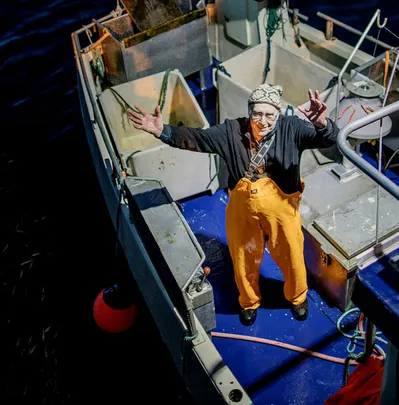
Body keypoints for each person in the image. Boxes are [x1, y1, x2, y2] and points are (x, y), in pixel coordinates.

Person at [127, 83, 338, 326]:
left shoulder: (293, 128)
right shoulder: (231, 131)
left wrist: (323, 124)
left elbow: (328, 140)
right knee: (242, 257)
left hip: (282, 211)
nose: (263, 120)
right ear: (249, 112)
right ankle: (249, 301)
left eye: (270, 114)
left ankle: (298, 296)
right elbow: (199, 139)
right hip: (242, 210)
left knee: (291, 254)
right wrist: (163, 131)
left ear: (278, 114)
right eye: (257, 113)